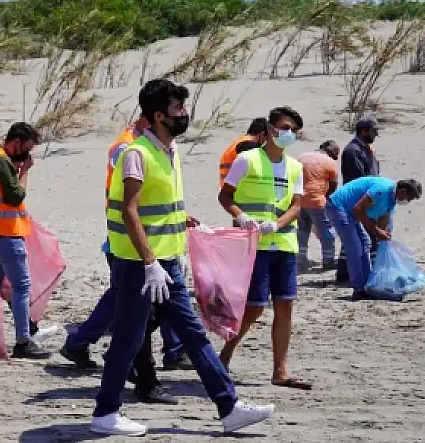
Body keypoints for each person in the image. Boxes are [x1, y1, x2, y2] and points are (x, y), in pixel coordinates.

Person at [91, 79, 275, 437]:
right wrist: (148, 263)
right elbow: (129, 211)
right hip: (138, 266)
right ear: (158, 115)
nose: (185, 115)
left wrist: (180, 220)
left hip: (169, 262)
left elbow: (155, 208)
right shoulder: (137, 153)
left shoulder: (169, 151)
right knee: (128, 339)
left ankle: (229, 406)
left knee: (193, 335)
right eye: (178, 110)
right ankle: (105, 412)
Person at [60, 116, 181, 406]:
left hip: (141, 243)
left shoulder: (157, 147)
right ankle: (130, 375)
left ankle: (116, 362)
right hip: (130, 245)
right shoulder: (131, 148)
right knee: (135, 313)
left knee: (133, 311)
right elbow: (130, 202)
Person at [217, 106, 309, 391]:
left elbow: (297, 205)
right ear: (269, 129)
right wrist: (241, 217)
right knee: (254, 308)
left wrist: (278, 224)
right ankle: (223, 357)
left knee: (285, 305)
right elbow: (225, 196)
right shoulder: (247, 159)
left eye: (293, 130)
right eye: (284, 127)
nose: (288, 134)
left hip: (283, 243)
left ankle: (280, 371)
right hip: (253, 244)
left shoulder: (295, 166)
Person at [0, 121, 52, 359]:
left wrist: (15, 166)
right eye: (26, 149)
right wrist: (24, 172)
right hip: (6, 235)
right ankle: (23, 341)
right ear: (15, 143)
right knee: (20, 287)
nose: (27, 154)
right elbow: (15, 196)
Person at [324, 176, 422, 301]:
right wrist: (376, 231)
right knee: (354, 248)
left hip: (351, 212)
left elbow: (384, 218)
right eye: (410, 198)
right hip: (339, 207)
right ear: (402, 191)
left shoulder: (392, 199)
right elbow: (358, 209)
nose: (408, 201)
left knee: (365, 243)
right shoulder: (382, 189)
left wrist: (383, 236)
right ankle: (359, 288)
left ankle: (366, 285)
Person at [336, 115, 381, 284]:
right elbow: (357, 180)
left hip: (369, 200)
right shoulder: (352, 151)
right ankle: (347, 273)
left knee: (359, 238)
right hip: (358, 202)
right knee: (360, 238)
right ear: (363, 131)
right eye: (373, 131)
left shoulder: (366, 150)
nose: (375, 135)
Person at [296, 140, 340, 271]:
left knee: (302, 230)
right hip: (317, 201)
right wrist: (326, 201)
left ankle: (300, 258)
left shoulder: (302, 157)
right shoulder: (330, 163)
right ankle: (328, 260)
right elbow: (333, 187)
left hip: (299, 199)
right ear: (331, 152)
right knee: (326, 231)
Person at [217, 117, 268, 188]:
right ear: (262, 134)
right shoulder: (248, 146)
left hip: (229, 187)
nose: (265, 142)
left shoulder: (241, 142)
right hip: (235, 190)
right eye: (266, 138)